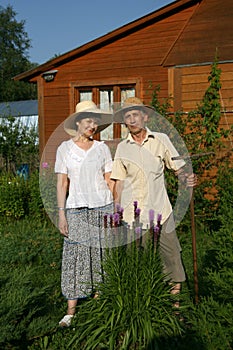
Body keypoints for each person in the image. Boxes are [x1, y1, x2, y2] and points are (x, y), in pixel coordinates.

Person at [111, 97, 197, 305]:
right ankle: (143, 305)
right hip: (133, 217)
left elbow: (178, 168)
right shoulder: (123, 148)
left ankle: (175, 307)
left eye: (135, 115)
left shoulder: (161, 140)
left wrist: (187, 177)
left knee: (172, 258)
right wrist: (116, 210)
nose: (132, 120)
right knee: (135, 262)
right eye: (127, 117)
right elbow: (118, 181)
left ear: (145, 117)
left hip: (161, 212)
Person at [54, 100, 114, 327]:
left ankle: (100, 304)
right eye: (88, 121)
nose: (93, 125)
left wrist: (116, 209)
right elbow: (62, 183)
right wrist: (62, 214)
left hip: (102, 207)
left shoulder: (102, 149)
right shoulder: (64, 149)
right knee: (75, 257)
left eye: (95, 122)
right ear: (78, 122)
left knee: (100, 256)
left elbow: (109, 180)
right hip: (76, 209)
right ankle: (70, 311)